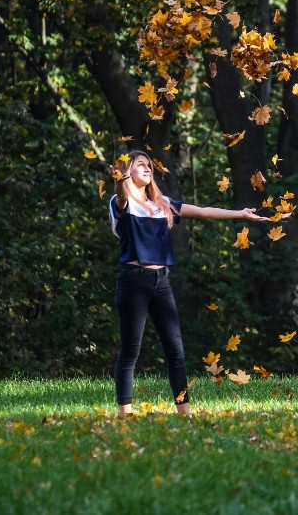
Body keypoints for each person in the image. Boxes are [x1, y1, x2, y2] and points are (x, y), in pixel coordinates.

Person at [109, 149, 269, 416]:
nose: (148, 169)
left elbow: (204, 212)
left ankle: (185, 413)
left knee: (176, 351)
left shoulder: (163, 203)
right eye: (140, 165)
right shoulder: (120, 201)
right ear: (127, 172)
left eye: (149, 165)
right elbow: (122, 193)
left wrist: (241, 214)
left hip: (161, 282)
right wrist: (118, 178)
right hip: (134, 282)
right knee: (130, 351)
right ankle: (125, 415)